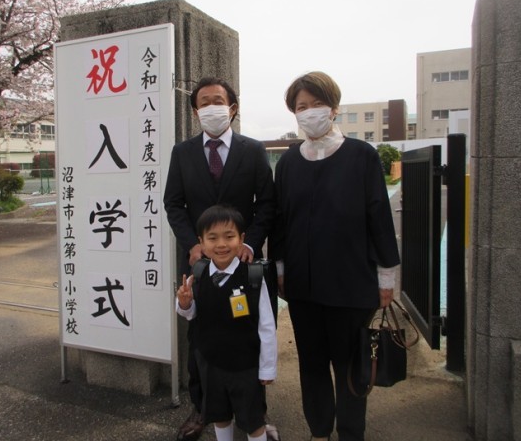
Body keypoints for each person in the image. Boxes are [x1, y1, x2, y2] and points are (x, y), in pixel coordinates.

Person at [271, 71, 400, 441]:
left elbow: (378, 217)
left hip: (351, 284)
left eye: (317, 104)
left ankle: (350, 432)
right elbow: (280, 221)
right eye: (302, 106)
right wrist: (280, 268)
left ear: (334, 107)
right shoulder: (289, 163)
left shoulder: (362, 156)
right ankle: (319, 431)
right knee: (311, 364)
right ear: (294, 113)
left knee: (350, 365)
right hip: (303, 285)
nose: (310, 112)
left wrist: (386, 277)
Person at [164, 77, 278, 441]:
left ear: (232, 108)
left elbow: (267, 203)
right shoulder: (182, 153)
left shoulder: (253, 150)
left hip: (244, 260)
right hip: (201, 259)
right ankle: (203, 408)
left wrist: (251, 243)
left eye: (218, 100)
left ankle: (255, 410)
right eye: (204, 102)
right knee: (200, 335)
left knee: (251, 329)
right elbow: (173, 203)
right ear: (195, 112)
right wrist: (192, 245)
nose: (211, 107)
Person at [175, 205, 277, 441]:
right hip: (211, 364)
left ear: (241, 239)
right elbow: (191, 314)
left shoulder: (252, 277)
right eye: (212, 238)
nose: (221, 244)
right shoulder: (198, 273)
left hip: (246, 367)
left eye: (229, 236)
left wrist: (268, 367)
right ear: (201, 242)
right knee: (219, 415)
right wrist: (184, 303)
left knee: (253, 422)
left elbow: (266, 326)